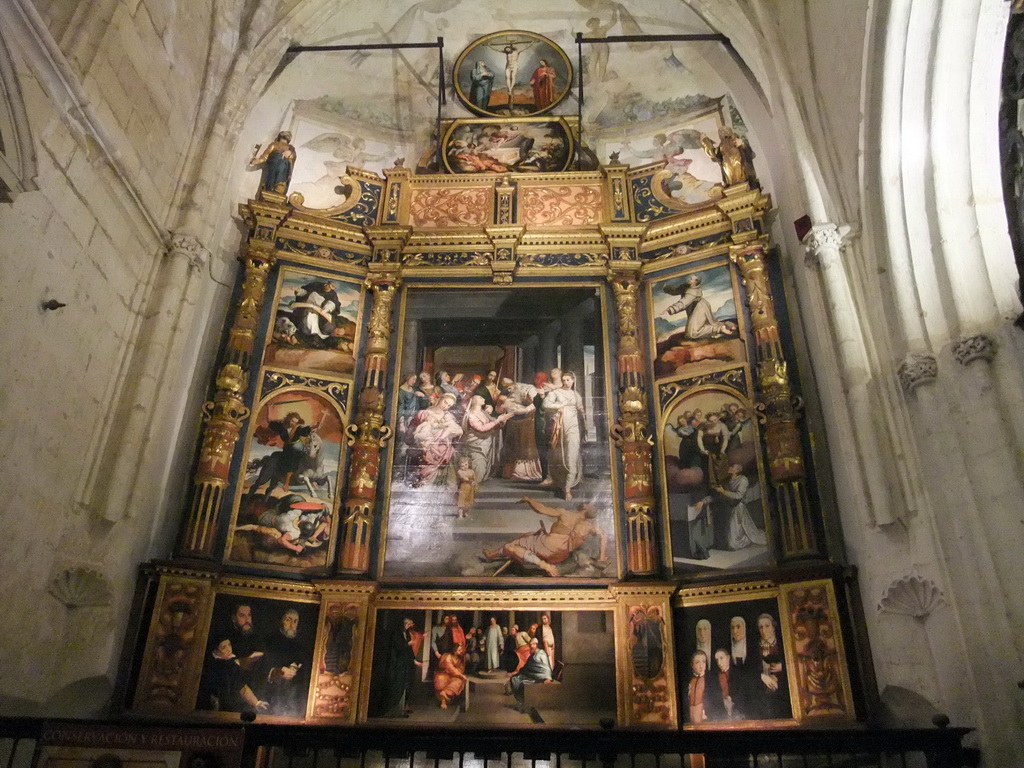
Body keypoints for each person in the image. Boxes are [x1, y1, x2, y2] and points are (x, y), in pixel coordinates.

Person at [483, 496, 609, 577]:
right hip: (560, 555)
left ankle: (543, 565)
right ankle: (492, 555)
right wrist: (601, 557)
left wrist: (529, 500)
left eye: (588, 504)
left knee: (510, 546)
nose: (586, 503)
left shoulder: (565, 513)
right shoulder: (589, 526)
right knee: (529, 536)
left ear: (586, 508)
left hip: (546, 547)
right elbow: (604, 535)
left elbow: (541, 509)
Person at [542, 372, 585, 500]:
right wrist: (560, 406)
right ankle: (560, 483)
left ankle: (567, 489)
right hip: (559, 429)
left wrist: (580, 409)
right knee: (560, 456)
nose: (566, 382)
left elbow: (580, 411)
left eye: (568, 380)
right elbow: (545, 405)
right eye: (564, 380)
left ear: (573, 380)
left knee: (571, 455)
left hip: (573, 428)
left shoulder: (576, 395)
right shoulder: (556, 393)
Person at [197, 638, 269, 713]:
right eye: (223, 647)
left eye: (229, 645)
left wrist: (256, 703)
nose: (228, 649)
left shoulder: (232, 664)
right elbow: (241, 688)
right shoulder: (215, 666)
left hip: (231, 705)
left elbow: (242, 687)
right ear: (216, 652)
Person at [260, 608, 309, 717]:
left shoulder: (300, 646)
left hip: (293, 697)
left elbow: (303, 666)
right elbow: (264, 666)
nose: (292, 625)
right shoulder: (269, 642)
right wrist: (280, 671)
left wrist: (295, 667)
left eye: (295, 621)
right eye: (288, 620)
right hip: (273, 693)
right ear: (281, 621)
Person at [406, 393, 463, 487]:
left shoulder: (448, 415)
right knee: (429, 448)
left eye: (449, 405)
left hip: (442, 443)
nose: (446, 406)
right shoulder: (424, 413)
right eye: (445, 402)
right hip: (425, 442)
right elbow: (413, 430)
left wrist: (447, 431)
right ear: (440, 399)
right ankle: (424, 480)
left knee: (446, 449)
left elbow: (456, 429)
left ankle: (436, 482)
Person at [664, 274, 737, 340]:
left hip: (699, 309)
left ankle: (720, 328)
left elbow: (683, 303)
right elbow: (676, 291)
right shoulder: (687, 286)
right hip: (700, 306)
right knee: (710, 323)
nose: (689, 279)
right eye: (690, 278)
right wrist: (666, 289)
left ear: (696, 282)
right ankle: (728, 325)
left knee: (692, 333)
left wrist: (669, 310)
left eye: (692, 279)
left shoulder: (692, 292)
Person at [714, 463, 768, 550]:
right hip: (729, 507)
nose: (730, 467)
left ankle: (748, 539)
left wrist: (723, 492)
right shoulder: (728, 480)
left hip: (738, 508)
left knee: (733, 543)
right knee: (732, 536)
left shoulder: (743, 480)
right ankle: (743, 537)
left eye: (733, 467)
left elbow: (739, 495)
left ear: (738, 471)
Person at [497, 378, 542, 480]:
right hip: (512, 422)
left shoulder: (527, 389)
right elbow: (501, 409)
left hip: (527, 422)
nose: (508, 390)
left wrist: (525, 410)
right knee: (512, 447)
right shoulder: (506, 393)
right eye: (506, 389)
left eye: (509, 388)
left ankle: (523, 472)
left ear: (514, 384)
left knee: (525, 448)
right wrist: (503, 405)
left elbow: (536, 404)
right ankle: (511, 472)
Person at [461, 394, 512, 482]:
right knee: (479, 461)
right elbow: (481, 428)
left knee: (486, 460)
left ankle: (481, 479)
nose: (484, 398)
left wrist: (502, 419)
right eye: (481, 397)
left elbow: (493, 422)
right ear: (475, 401)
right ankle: (476, 481)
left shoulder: (483, 412)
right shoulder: (471, 415)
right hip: (476, 443)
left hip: (486, 442)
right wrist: (498, 420)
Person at [756, 613, 788, 718]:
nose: (763, 630)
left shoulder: (782, 644)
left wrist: (782, 666)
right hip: (762, 687)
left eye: (767, 626)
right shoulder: (755, 646)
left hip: (781, 685)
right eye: (760, 627)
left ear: (773, 627)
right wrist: (761, 676)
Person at [507, 637, 552, 711]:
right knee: (514, 679)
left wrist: (548, 678)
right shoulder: (532, 655)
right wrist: (515, 673)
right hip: (530, 675)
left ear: (536, 645)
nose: (531, 646)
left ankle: (523, 703)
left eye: (532, 644)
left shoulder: (542, 654)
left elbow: (546, 667)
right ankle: (520, 701)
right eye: (530, 644)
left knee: (521, 683)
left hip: (538, 678)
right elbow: (526, 667)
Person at [697, 411, 732, 488]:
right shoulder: (703, 425)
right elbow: (699, 438)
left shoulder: (722, 425)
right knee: (708, 466)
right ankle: (710, 486)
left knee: (721, 461)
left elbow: (725, 439)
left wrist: (723, 450)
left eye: (715, 420)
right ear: (708, 420)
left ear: (718, 418)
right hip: (706, 447)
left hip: (718, 447)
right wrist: (702, 450)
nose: (713, 422)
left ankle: (722, 483)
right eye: (711, 421)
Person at [433, 643, 468, 709]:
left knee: (458, 681)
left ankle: (445, 692)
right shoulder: (447, 656)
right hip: (443, 673)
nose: (461, 652)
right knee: (442, 679)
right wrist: (460, 674)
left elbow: (461, 670)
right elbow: (450, 668)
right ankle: (443, 701)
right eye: (459, 650)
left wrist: (459, 674)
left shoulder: (459, 659)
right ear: (454, 651)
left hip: (453, 675)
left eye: (461, 650)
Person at [687, 650, 708, 723]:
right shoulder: (689, 680)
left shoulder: (710, 680)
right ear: (692, 665)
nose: (701, 665)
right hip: (691, 713)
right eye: (697, 662)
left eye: (703, 662)